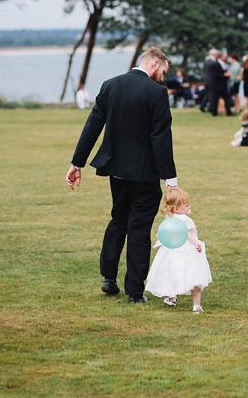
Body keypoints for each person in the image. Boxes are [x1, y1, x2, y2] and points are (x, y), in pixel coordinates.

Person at [65, 46, 180, 304]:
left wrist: (77, 162)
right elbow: (161, 137)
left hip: (116, 171)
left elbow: (93, 123)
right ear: (153, 64)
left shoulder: (110, 85)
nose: (164, 76)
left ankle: (109, 277)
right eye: (163, 70)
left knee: (119, 219)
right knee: (139, 227)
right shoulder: (157, 92)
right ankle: (135, 293)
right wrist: (171, 181)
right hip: (144, 174)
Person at [144, 187, 212, 313]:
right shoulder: (186, 220)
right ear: (176, 208)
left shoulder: (170, 219)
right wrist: (196, 242)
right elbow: (188, 234)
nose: (189, 207)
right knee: (194, 276)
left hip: (171, 251)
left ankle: (171, 297)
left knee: (172, 273)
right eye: (186, 205)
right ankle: (196, 305)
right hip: (187, 251)